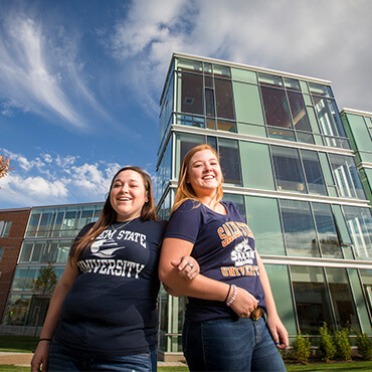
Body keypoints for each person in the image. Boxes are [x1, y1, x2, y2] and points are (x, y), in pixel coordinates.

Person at [31, 166, 199, 372]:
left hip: (126, 355)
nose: (123, 189)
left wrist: (189, 267)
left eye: (132, 185)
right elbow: (65, 285)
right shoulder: (89, 230)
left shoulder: (160, 230)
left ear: (146, 196)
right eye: (117, 185)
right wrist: (45, 339)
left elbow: (173, 287)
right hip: (66, 350)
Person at [159, 144, 289, 372]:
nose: (208, 168)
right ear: (188, 178)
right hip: (217, 323)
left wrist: (273, 314)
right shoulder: (189, 210)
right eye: (198, 165)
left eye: (213, 163)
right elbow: (168, 275)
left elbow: (255, 263)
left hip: (257, 324)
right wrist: (230, 294)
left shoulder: (232, 209)